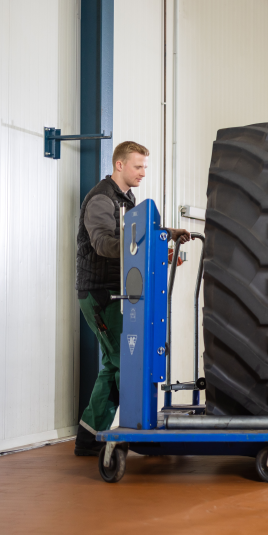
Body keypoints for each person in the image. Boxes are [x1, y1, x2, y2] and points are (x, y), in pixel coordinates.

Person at [73, 141, 190, 456]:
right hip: (101, 294)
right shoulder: (102, 198)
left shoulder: (127, 199)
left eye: (144, 167)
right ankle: (136, 430)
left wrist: (164, 239)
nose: (142, 172)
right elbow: (105, 244)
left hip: (119, 294)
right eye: (137, 166)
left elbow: (133, 239)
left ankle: (88, 439)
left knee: (113, 364)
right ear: (120, 165)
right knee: (125, 361)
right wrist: (153, 241)